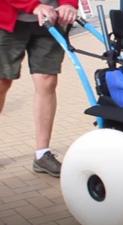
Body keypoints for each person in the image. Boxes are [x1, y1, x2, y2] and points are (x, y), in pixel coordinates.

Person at [0, 0, 78, 177]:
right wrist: (32, 5)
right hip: (9, 16)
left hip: (50, 17)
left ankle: (42, 154)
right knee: (2, 81)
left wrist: (68, 3)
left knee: (47, 80)